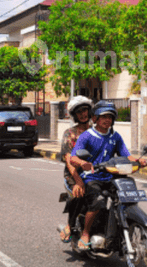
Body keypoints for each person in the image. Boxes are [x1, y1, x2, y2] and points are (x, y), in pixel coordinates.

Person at [69, 100, 147, 251]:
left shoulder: (115, 136)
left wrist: (138, 161)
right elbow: (73, 157)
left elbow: (126, 155)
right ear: (95, 119)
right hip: (92, 177)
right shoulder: (87, 136)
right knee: (98, 201)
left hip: (111, 176)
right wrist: (82, 163)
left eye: (110, 117)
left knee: (127, 198)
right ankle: (85, 233)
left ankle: (119, 228)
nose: (107, 120)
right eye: (104, 116)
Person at [58, 96, 93, 243]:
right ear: (74, 115)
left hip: (94, 172)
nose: (83, 114)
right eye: (79, 112)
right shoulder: (70, 134)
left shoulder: (97, 131)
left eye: (85, 110)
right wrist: (78, 181)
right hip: (74, 174)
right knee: (80, 193)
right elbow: (68, 160)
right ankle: (70, 225)